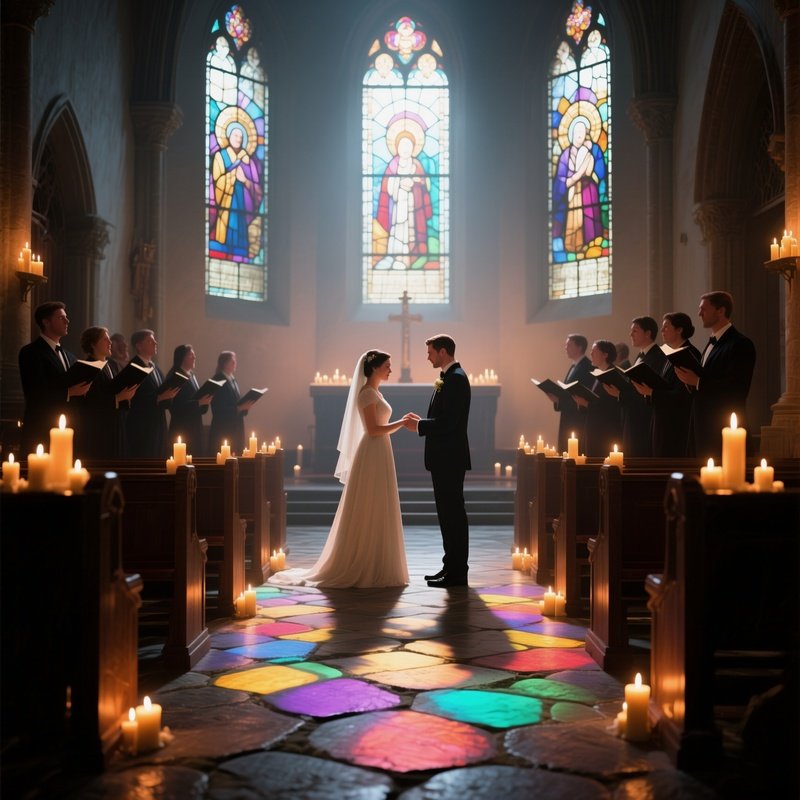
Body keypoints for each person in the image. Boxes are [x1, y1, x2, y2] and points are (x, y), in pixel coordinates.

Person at [269, 351, 410, 588]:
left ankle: (379, 561)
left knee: (379, 502)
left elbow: (379, 427)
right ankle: (363, 560)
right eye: (387, 365)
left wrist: (399, 423)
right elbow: (373, 429)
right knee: (369, 503)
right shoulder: (367, 393)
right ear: (374, 368)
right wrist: (402, 423)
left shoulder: (376, 392)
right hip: (372, 451)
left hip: (380, 450)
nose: (390, 369)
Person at [404, 335, 471, 588]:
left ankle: (457, 572)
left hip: (449, 458)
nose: (428, 357)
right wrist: (421, 422)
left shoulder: (456, 379)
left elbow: (450, 423)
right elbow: (445, 418)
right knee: (447, 515)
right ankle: (449, 567)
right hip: (444, 458)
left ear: (443, 352)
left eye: (430, 352)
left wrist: (419, 425)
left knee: (453, 515)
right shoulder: (448, 377)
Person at [674, 291, 756, 459]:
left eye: (704, 309)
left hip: (722, 428)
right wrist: (688, 381)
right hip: (701, 427)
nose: (699, 313)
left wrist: (698, 382)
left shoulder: (741, 344)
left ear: (720, 311)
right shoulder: (711, 343)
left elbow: (738, 389)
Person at [18, 301, 91, 455]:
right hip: (41, 426)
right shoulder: (30, 352)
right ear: (46, 322)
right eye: (61, 318)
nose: (67, 321)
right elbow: (34, 392)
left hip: (69, 426)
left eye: (66, 317)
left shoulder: (70, 356)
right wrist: (70, 392)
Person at [604, 317, 669, 457]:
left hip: (644, 419)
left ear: (648, 333)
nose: (630, 334)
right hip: (633, 417)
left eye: (635, 331)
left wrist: (620, 395)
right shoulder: (640, 356)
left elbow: (647, 389)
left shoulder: (658, 356)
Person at [374, 127, 433, 271]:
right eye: (402, 145)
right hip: (398, 203)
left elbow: (425, 185)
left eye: (408, 146)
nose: (405, 149)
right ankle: (395, 257)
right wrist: (399, 183)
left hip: (413, 205)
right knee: (398, 228)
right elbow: (387, 185)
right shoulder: (393, 165)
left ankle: (409, 259)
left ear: (413, 148)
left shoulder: (416, 165)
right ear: (396, 147)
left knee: (412, 230)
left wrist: (414, 183)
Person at [76, 327, 138, 459]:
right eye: (105, 339)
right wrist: (118, 398)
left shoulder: (112, 364)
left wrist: (127, 395)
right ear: (93, 344)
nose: (110, 342)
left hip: (117, 425)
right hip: (99, 431)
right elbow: (90, 404)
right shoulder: (86, 367)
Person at [126, 329, 180, 458]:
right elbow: (134, 399)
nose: (155, 343)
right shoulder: (133, 367)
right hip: (143, 427)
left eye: (154, 340)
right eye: (150, 341)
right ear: (139, 346)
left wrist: (169, 395)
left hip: (158, 423)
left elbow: (160, 393)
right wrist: (158, 398)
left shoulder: (155, 368)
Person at [573, 340, 621, 457]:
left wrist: (587, 404)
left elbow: (611, 406)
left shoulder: (613, 374)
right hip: (593, 427)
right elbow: (595, 400)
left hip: (605, 431)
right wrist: (581, 403)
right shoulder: (598, 373)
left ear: (605, 355)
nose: (591, 354)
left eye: (594, 351)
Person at [548, 334, 593, 452]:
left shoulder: (587, 367)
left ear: (579, 347)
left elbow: (581, 394)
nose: (566, 348)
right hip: (568, 416)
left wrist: (560, 401)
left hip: (577, 418)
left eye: (569, 345)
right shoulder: (575, 365)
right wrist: (557, 400)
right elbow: (569, 393)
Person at [167, 344, 212, 457]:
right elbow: (176, 407)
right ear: (182, 357)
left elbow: (195, 399)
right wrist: (198, 403)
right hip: (182, 429)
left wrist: (205, 400)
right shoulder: (175, 376)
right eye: (191, 355)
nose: (194, 357)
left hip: (195, 427)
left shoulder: (191, 375)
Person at [209, 351, 255, 454]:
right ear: (224, 363)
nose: (235, 364)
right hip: (224, 429)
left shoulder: (232, 380)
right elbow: (218, 409)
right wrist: (239, 408)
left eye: (235, 361)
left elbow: (237, 401)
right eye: (232, 362)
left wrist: (246, 406)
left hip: (236, 427)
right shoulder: (218, 380)